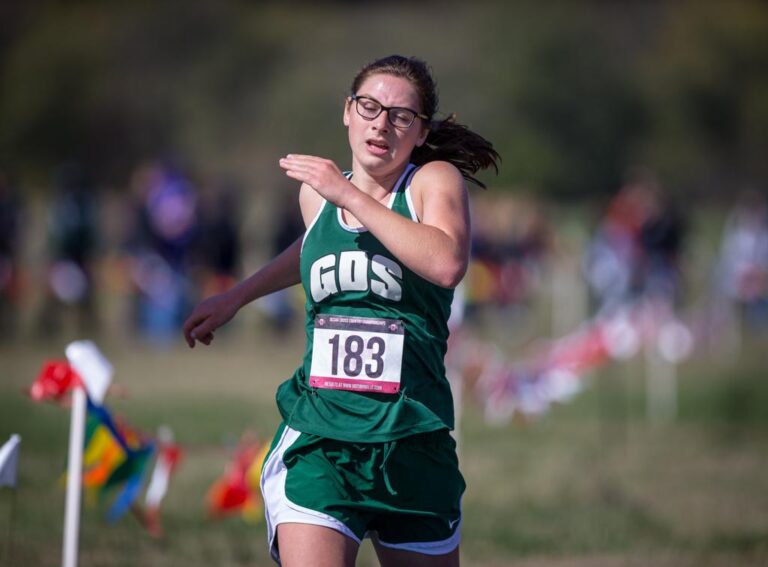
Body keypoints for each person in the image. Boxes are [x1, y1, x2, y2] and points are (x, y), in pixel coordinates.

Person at [183, 54, 499, 566]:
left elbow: (445, 264)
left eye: (401, 116)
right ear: (347, 112)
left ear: (420, 133)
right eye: (369, 107)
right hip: (323, 439)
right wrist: (234, 298)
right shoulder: (320, 196)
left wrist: (348, 194)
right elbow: (313, 249)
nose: (382, 123)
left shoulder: (430, 182)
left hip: (412, 437)